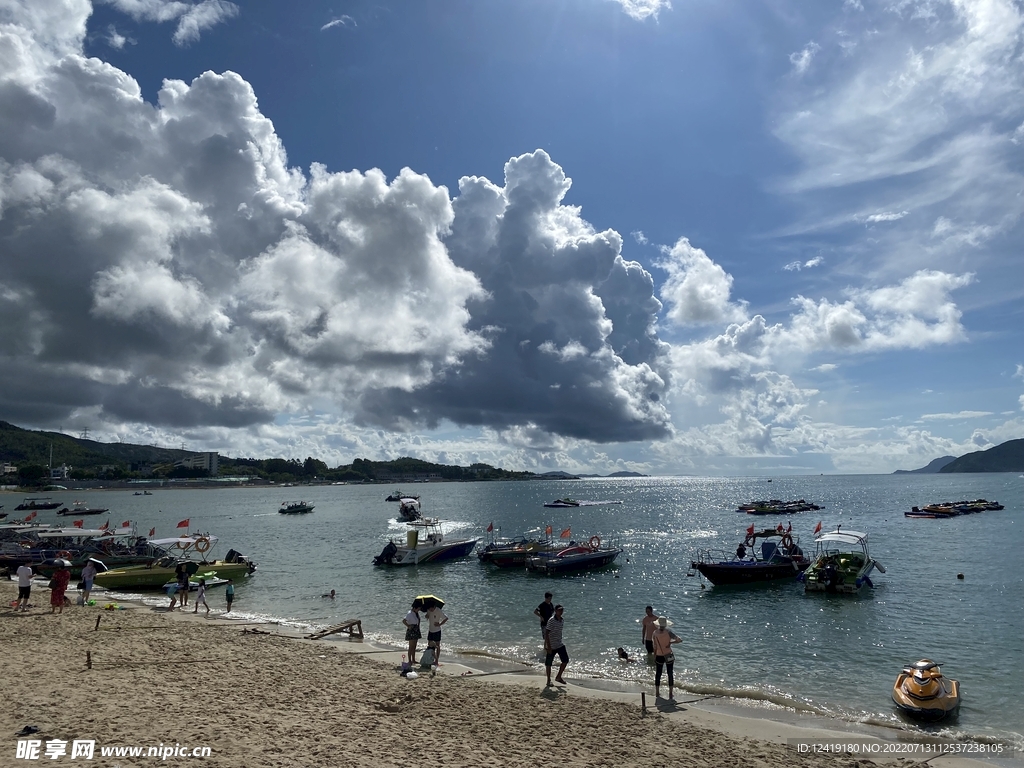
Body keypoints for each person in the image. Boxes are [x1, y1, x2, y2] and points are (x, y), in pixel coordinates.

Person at [651, 616, 681, 699]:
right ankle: (670, 693)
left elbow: (655, 647)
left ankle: (657, 692)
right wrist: (670, 643)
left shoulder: (654, 633)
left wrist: (654, 656)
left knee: (658, 674)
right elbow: (679, 640)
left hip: (659, 655)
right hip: (668, 654)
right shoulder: (668, 632)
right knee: (670, 673)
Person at [545, 605, 568, 685]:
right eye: (559, 610)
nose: (561, 612)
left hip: (559, 644)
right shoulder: (551, 620)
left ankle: (558, 677)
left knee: (565, 660)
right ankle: (548, 680)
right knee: (548, 663)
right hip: (551, 645)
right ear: (555, 610)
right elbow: (546, 633)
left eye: (562, 610)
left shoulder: (562, 620)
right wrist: (548, 646)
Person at [403, 599, 423, 665]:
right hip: (411, 630)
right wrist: (408, 626)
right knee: (411, 646)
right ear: (414, 608)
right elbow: (404, 621)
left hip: (416, 629)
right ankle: (409, 660)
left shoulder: (416, 614)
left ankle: (413, 659)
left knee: (414, 646)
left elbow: (418, 621)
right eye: (418, 609)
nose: (419, 610)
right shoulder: (409, 613)